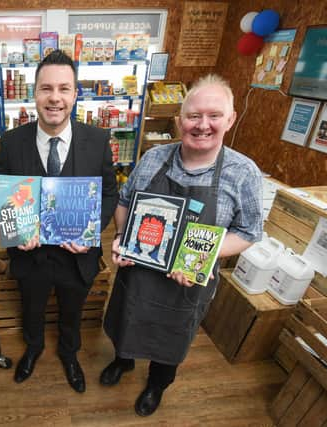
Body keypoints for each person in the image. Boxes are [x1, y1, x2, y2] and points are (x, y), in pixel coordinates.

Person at [101, 74, 263, 415]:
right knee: (127, 320)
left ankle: (156, 385)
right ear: (179, 121)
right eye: (193, 116)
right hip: (139, 271)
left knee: (172, 336)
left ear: (230, 120)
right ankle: (123, 361)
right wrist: (120, 237)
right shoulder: (154, 158)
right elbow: (125, 201)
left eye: (214, 115)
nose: (203, 125)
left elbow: (249, 232)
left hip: (187, 283)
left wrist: (200, 257)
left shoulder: (243, 173)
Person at [0, 50, 117, 393]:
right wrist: (16, 231)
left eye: (64, 88)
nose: (55, 98)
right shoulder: (12, 141)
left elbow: (109, 194)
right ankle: (33, 349)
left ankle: (70, 355)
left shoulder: (97, 141)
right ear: (34, 93)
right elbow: (3, 193)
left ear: (75, 94)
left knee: (72, 311)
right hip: (30, 254)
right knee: (31, 308)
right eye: (46, 88)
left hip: (76, 255)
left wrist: (92, 231)